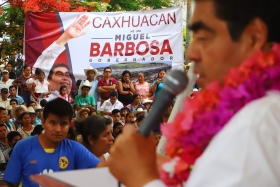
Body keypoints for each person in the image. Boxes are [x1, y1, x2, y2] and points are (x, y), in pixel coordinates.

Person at [107, 0, 280, 187]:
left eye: (204, 37)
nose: (192, 53)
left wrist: (141, 177)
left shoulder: (256, 123)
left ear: (253, 38)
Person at [3, 98, 101, 186]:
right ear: (43, 122)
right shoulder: (23, 147)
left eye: (63, 124)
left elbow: (104, 170)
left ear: (69, 125)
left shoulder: (75, 148)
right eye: (52, 123)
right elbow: (9, 183)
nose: (58, 129)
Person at [32, 15, 91, 94]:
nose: (65, 78)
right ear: (48, 79)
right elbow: (44, 63)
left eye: (67, 75)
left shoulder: (72, 101)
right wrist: (65, 37)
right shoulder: (45, 97)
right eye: (59, 74)